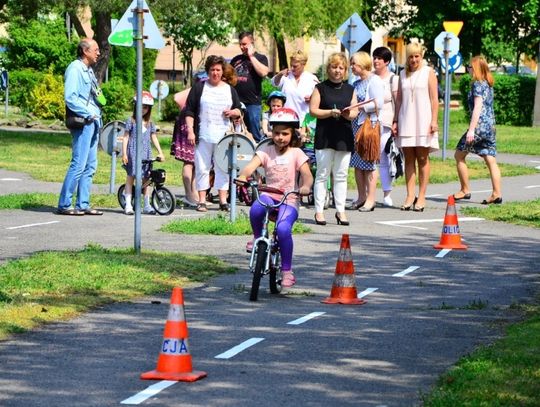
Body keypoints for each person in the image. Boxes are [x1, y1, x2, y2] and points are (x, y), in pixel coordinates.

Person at [237, 108, 313, 288]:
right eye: (277, 133)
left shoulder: (296, 153)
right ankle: (257, 238)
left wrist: (305, 187)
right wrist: (243, 176)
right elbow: (249, 168)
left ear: (292, 134)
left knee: (283, 229)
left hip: (289, 199)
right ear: (271, 132)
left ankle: (287, 271)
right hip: (268, 195)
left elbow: (307, 175)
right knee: (256, 208)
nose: (280, 137)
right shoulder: (265, 151)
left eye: (285, 134)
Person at [185, 55, 242, 212]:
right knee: (202, 166)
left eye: (218, 70)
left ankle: (223, 201)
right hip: (203, 133)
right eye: (212, 70)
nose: (215, 73)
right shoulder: (199, 87)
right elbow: (189, 110)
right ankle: (202, 200)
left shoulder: (229, 89)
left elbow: (238, 109)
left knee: (222, 167)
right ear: (208, 71)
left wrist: (232, 112)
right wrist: (190, 131)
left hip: (224, 135)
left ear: (222, 71)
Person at [309, 52, 358, 226]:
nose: (337, 71)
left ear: (345, 71)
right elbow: (313, 110)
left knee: (341, 175)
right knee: (322, 174)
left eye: (341, 68)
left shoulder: (350, 89)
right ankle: (319, 211)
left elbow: (355, 112)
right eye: (334, 67)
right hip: (325, 135)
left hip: (343, 136)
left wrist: (347, 114)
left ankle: (341, 211)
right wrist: (330, 112)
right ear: (328, 68)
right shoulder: (320, 88)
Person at [57, 38, 103, 216]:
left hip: (94, 122)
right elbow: (70, 97)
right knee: (79, 164)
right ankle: (65, 204)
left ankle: (83, 204)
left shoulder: (89, 70)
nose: (98, 53)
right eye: (96, 49)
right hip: (84, 122)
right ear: (85, 51)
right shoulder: (75, 68)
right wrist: (87, 113)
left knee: (90, 166)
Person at [392, 42, 439, 212]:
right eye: (411, 56)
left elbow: (435, 100)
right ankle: (410, 195)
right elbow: (398, 100)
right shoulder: (402, 74)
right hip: (406, 119)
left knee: (423, 158)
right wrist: (395, 120)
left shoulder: (428, 72)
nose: (413, 60)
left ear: (421, 56)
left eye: (416, 56)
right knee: (409, 158)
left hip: (423, 119)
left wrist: (434, 121)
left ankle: (422, 196)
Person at [453, 56, 502, 205]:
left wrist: (471, 130)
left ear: (475, 69)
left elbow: (478, 107)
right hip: (491, 127)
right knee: (490, 159)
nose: (468, 70)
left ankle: (465, 189)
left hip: (479, 127)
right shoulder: (488, 84)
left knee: (459, 155)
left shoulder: (477, 85)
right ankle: (496, 193)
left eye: (469, 67)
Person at [349, 51, 385, 212]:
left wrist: (360, 105)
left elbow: (379, 103)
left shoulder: (374, 80)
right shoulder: (356, 83)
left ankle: (371, 199)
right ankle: (361, 196)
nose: (352, 67)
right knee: (358, 163)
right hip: (356, 125)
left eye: (354, 64)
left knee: (369, 162)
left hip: (369, 125)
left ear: (362, 64)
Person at [121, 91, 164, 215]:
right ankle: (128, 204)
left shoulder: (150, 123)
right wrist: (124, 154)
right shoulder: (131, 121)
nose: (143, 109)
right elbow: (126, 137)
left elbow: (154, 137)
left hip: (146, 153)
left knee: (147, 179)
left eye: (146, 107)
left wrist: (160, 152)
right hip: (133, 153)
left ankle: (146, 204)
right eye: (141, 106)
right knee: (131, 178)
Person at [171, 72, 208, 207]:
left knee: (195, 162)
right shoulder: (197, 89)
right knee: (189, 162)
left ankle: (194, 194)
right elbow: (176, 97)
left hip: (195, 126)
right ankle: (188, 194)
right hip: (187, 126)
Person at [230, 31, 269, 142]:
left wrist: (251, 56)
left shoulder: (261, 58)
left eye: (245, 44)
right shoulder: (236, 60)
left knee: (255, 133)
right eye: (240, 44)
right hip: (237, 103)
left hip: (253, 103)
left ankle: (257, 156)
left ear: (252, 42)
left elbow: (263, 73)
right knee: (236, 132)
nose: (242, 47)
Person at [373, 46, 399, 207]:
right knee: (368, 159)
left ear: (387, 62)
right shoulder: (370, 77)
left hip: (386, 123)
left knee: (383, 158)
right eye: (374, 57)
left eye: (379, 58)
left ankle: (387, 193)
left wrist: (396, 122)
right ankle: (367, 194)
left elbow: (397, 102)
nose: (375, 61)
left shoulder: (392, 79)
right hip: (369, 123)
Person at [271, 50, 319, 126]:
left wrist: (312, 99)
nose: (292, 68)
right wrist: (280, 74)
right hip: (287, 118)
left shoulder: (311, 78)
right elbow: (274, 83)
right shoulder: (286, 76)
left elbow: (319, 97)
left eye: (295, 66)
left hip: (305, 120)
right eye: (291, 65)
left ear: (303, 65)